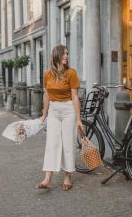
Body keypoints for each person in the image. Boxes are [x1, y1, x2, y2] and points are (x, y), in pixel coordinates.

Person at [36, 44, 85, 191]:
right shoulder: (47, 74)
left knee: (68, 144)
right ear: (57, 55)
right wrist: (44, 115)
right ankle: (47, 179)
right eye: (64, 54)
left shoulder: (71, 73)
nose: (66, 56)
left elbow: (75, 97)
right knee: (52, 143)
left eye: (67, 54)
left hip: (68, 109)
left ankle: (67, 177)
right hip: (54, 111)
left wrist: (78, 119)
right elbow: (46, 95)